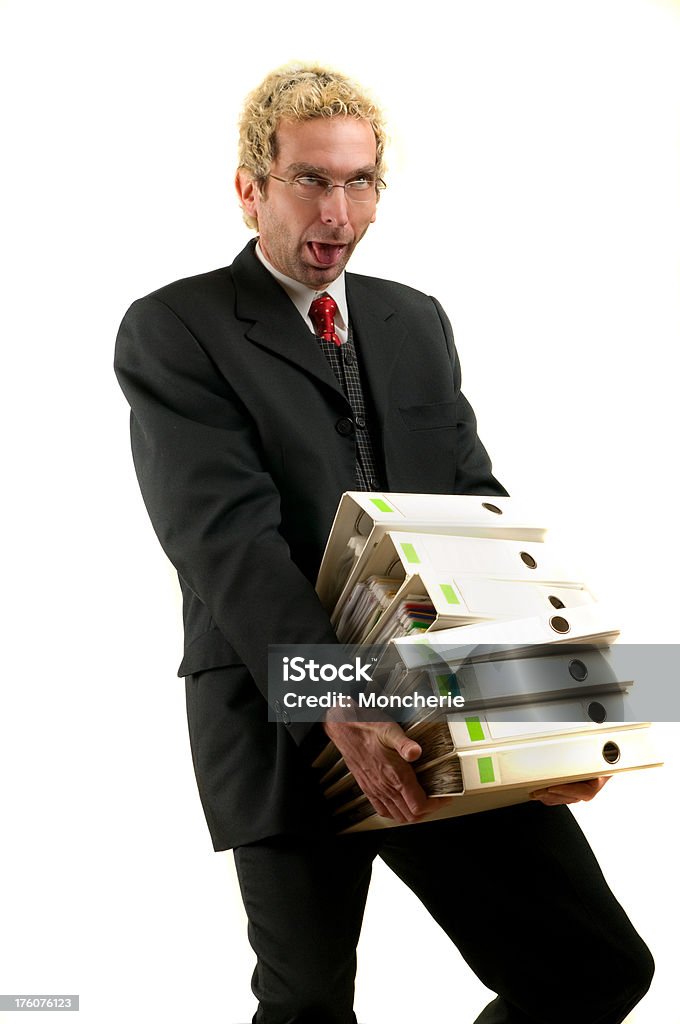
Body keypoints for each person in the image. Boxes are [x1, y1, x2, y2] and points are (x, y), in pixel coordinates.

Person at [114, 63, 654, 1024]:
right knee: (309, 1006)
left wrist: (540, 711)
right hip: (283, 713)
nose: (339, 209)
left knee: (596, 969)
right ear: (251, 189)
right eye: (311, 180)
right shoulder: (175, 329)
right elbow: (223, 541)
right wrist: (347, 703)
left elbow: (474, 512)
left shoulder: (413, 318)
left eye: (361, 181)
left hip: (439, 695)